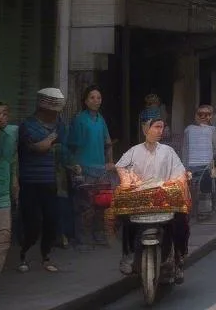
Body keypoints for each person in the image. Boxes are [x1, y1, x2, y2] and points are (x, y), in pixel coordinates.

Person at [115, 109, 190, 283]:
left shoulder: (168, 151)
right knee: (126, 220)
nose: (159, 131)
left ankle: (178, 258)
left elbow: (179, 172)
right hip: (140, 201)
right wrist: (130, 182)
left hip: (164, 199)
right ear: (144, 128)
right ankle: (130, 255)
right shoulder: (134, 151)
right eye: (156, 127)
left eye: (161, 127)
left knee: (180, 221)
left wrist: (178, 182)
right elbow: (122, 169)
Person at [17, 87, 69, 273]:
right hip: (29, 180)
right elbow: (38, 148)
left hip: (50, 179)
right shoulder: (28, 125)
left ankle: (45, 256)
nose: (57, 111)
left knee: (51, 219)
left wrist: (71, 165)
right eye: (54, 107)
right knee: (31, 221)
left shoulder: (60, 124)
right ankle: (24, 254)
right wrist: (52, 140)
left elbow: (62, 149)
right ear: (43, 106)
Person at [67, 85, 114, 250]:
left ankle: (99, 235)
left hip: (100, 168)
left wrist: (110, 162)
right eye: (92, 97)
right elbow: (70, 146)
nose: (96, 101)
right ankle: (82, 238)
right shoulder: (79, 119)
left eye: (98, 98)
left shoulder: (101, 119)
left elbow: (108, 143)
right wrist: (74, 166)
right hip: (83, 167)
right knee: (83, 205)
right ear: (85, 101)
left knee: (101, 204)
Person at [0, 100, 18, 275]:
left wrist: (15, 185)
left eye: (6, 113)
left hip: (1, 196)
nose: (3, 117)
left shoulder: (10, 135)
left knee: (2, 239)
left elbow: (12, 162)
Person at [181, 105, 216, 213]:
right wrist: (184, 165)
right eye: (200, 114)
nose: (203, 116)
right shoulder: (188, 129)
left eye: (207, 114)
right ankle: (192, 209)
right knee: (191, 189)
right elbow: (185, 147)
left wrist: (214, 162)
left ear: (210, 116)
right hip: (191, 164)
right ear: (195, 115)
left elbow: (215, 146)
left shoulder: (212, 129)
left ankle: (204, 210)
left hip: (207, 164)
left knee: (206, 188)